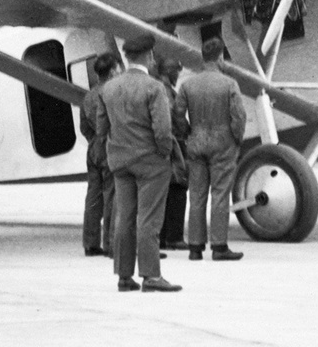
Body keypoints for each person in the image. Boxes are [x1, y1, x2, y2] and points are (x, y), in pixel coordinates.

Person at [94, 33, 181, 292]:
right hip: (150, 162)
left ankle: (124, 276)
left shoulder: (108, 88)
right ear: (150, 56)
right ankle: (151, 275)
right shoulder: (154, 88)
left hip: (120, 162)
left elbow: (101, 129)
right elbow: (163, 130)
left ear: (126, 57)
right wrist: (165, 153)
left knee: (124, 217)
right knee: (149, 219)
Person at [175, 38, 248, 261]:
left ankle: (195, 247)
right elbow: (239, 117)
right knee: (220, 195)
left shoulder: (187, 85)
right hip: (222, 143)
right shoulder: (229, 84)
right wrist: (236, 138)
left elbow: (177, 114)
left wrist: (188, 132)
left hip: (196, 141)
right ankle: (219, 246)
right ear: (220, 58)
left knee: (196, 196)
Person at [79, 52, 121, 257]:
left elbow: (83, 127)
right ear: (113, 70)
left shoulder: (89, 95)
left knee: (93, 197)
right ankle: (111, 243)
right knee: (112, 194)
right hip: (110, 146)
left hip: (94, 147)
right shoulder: (114, 92)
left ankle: (90, 242)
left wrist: (95, 141)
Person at [156, 57, 188, 259]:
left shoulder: (159, 88)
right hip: (172, 145)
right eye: (177, 71)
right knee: (177, 189)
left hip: (163, 146)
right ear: (170, 72)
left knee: (165, 192)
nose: (178, 76)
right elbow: (172, 119)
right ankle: (174, 237)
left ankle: (163, 237)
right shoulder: (165, 92)